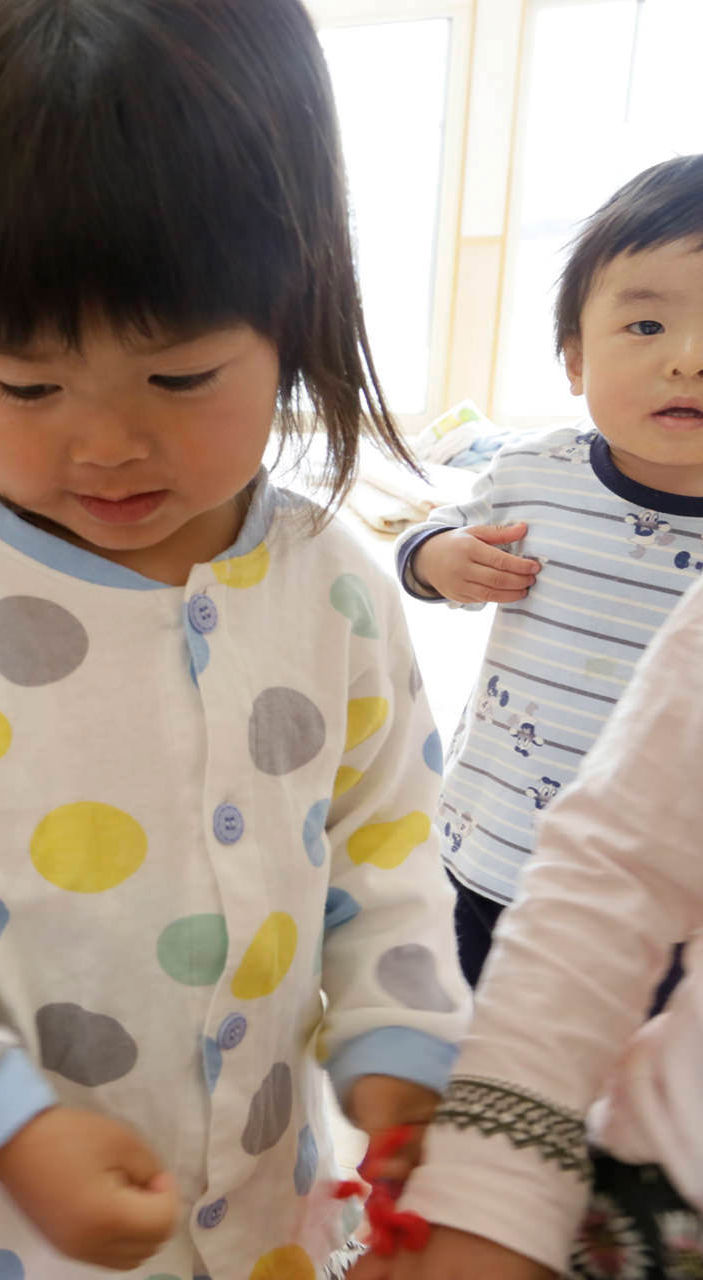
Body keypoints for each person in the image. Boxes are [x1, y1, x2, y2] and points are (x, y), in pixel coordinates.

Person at [0, 3, 471, 1277]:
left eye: (180, 378)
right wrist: (9, 1128)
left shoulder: (336, 592)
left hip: (266, 1213)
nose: (102, 445)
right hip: (4, 1232)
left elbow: (391, 861)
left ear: (297, 309)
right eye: (28, 388)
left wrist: (403, 1065)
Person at [394, 154, 703, 1007]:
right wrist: (438, 561)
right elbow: (432, 536)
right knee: (468, 1059)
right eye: (646, 328)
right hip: (492, 851)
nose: (690, 359)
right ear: (574, 360)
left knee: (623, 1112)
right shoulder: (535, 472)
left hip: (660, 907)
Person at [372, 577, 703, 1280]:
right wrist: (484, 1174)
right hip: (488, 853)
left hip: (617, 962)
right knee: (467, 1006)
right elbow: (619, 866)